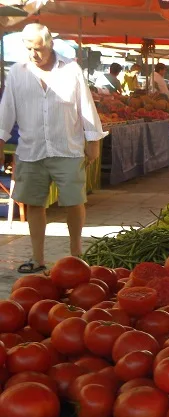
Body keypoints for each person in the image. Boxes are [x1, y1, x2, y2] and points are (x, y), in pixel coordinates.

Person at [0, 24, 106, 273]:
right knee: (34, 204)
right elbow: (7, 110)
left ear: (50, 44)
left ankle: (76, 253)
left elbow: (86, 106)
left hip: (67, 147)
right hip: (31, 149)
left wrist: (93, 141)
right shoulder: (17, 72)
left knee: (74, 202)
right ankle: (37, 259)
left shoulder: (71, 70)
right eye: (28, 49)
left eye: (38, 48)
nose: (34, 54)